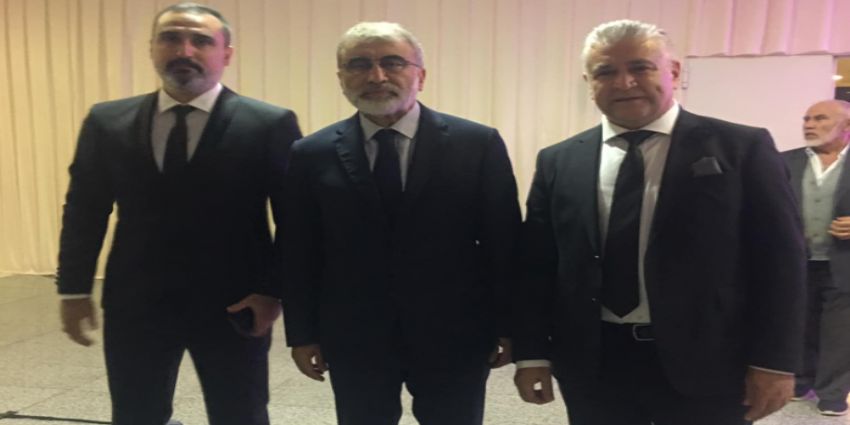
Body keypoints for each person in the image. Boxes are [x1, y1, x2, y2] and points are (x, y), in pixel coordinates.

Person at [512, 19, 806, 425]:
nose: (624, 82)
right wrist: (532, 354)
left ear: (674, 71)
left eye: (640, 67)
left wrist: (774, 361)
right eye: (605, 72)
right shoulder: (559, 160)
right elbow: (537, 265)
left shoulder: (742, 148)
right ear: (589, 82)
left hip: (710, 361)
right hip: (595, 364)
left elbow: (781, 261)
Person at [55, 3, 302, 424]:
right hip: (137, 301)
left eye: (201, 41)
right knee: (136, 413)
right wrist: (73, 290)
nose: (184, 50)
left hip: (236, 303)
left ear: (226, 54)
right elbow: (84, 209)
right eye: (171, 38)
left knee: (240, 413)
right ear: (151, 48)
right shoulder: (107, 121)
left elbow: (294, 219)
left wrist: (272, 292)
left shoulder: (268, 124)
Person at [279, 21, 520, 425]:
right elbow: (298, 250)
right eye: (359, 65)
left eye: (392, 63)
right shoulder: (310, 153)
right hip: (354, 334)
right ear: (341, 79)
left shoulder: (478, 144)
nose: (376, 76)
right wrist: (302, 334)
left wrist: (510, 326)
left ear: (420, 76)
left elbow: (504, 243)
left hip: (454, 332)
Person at [782, 99, 850, 416]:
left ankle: (832, 393)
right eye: (806, 118)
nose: (809, 124)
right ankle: (799, 381)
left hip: (844, 264)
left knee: (840, 332)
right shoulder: (784, 161)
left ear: (846, 126)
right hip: (796, 263)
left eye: (820, 118)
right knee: (799, 324)